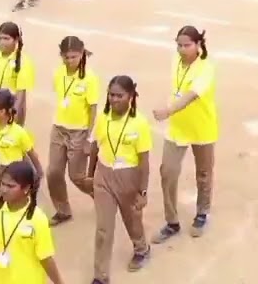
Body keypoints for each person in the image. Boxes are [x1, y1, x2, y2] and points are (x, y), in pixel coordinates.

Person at [151, 26, 219, 242]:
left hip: (202, 129)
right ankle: (172, 222)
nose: (181, 49)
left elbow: (190, 95)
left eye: (186, 45)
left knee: (204, 174)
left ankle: (202, 213)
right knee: (167, 173)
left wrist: (168, 110)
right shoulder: (175, 61)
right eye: (178, 45)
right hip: (177, 128)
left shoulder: (206, 68)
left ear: (198, 45)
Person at [87, 76, 153, 281]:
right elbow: (95, 147)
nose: (114, 99)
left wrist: (142, 191)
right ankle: (101, 276)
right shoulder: (102, 117)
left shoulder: (139, 123)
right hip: (103, 176)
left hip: (129, 178)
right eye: (111, 94)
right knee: (103, 229)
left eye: (119, 95)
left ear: (130, 97)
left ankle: (141, 248)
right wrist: (91, 175)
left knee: (132, 220)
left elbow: (143, 161)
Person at [0, 161, 66, 284]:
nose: (3, 190)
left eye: (10, 186)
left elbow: (46, 258)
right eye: (2, 184)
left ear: (26, 189)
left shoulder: (38, 219)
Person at [47, 36, 99, 225]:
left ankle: (100, 193)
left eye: (74, 57)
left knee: (76, 176)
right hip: (59, 128)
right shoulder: (58, 73)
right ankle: (62, 210)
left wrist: (89, 139)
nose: (70, 61)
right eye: (66, 57)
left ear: (82, 54)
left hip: (79, 132)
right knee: (53, 172)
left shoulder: (90, 78)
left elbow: (93, 109)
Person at [0, 22, 35, 126]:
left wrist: (13, 117)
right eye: (0, 38)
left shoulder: (23, 62)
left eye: (6, 39)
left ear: (15, 40)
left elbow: (20, 95)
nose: (2, 42)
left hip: (9, 111)